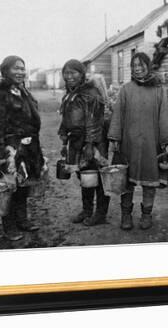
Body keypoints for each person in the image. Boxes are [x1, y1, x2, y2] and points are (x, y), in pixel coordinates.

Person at [108, 52, 168, 230]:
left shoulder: (159, 90)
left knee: (149, 180)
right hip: (128, 143)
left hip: (151, 144)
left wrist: (166, 141)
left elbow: (164, 117)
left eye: (141, 65)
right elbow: (118, 115)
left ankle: (146, 215)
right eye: (134, 66)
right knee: (126, 181)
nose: (137, 69)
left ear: (148, 66)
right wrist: (115, 138)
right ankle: (126, 215)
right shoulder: (126, 90)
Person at [0, 55, 44, 241]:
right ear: (5, 71)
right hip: (10, 150)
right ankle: (9, 226)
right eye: (16, 68)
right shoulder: (0, 95)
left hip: (27, 149)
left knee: (23, 186)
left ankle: (22, 220)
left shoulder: (23, 91)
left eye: (22, 68)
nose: (20, 72)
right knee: (9, 186)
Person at [58, 59, 110, 226]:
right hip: (76, 141)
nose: (69, 76)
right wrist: (64, 138)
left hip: (93, 141)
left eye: (73, 72)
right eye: (66, 73)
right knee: (85, 177)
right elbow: (66, 117)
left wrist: (89, 144)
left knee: (98, 178)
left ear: (81, 74)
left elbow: (94, 120)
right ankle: (87, 210)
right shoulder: (71, 93)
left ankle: (100, 214)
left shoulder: (91, 93)